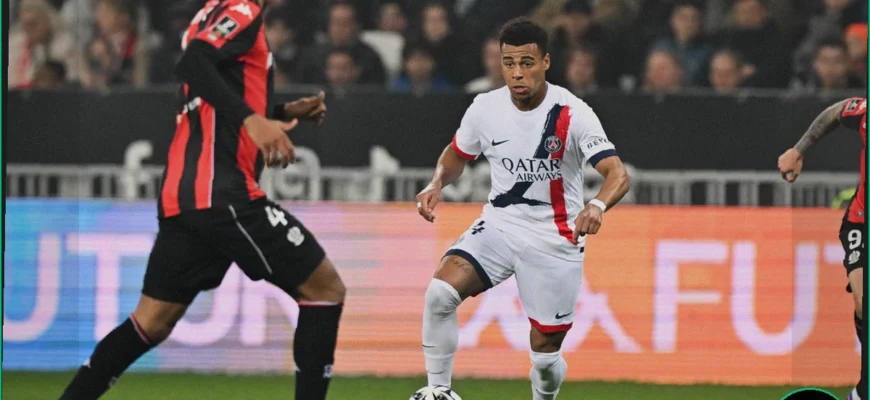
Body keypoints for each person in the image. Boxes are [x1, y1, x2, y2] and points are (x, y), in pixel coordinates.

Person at [58, 1, 346, 399]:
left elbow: (209, 96)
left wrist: (274, 111)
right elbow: (193, 64)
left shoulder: (206, 16)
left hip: (184, 196)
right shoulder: (242, 9)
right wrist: (253, 119)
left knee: (151, 321)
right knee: (324, 289)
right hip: (222, 192)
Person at [414, 17, 630, 400]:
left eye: (526, 63)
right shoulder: (485, 108)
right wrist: (436, 182)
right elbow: (457, 153)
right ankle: (438, 391)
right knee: (440, 294)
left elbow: (617, 173)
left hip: (555, 238)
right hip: (500, 225)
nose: (516, 73)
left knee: (544, 357)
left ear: (545, 62)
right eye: (509, 63)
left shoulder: (573, 113)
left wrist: (597, 205)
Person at [777, 97, 866, 400]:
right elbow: (835, 113)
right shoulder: (865, 114)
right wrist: (798, 150)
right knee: (863, 298)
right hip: (861, 220)